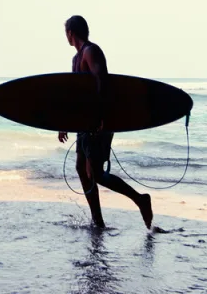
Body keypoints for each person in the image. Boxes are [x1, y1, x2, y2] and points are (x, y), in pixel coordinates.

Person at [58, 15, 153, 230]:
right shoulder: (76, 59)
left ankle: (140, 200)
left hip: (98, 122)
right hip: (85, 124)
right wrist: (64, 122)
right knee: (82, 169)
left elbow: (102, 81)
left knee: (97, 174)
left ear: (71, 33)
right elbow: (77, 95)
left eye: (66, 33)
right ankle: (97, 220)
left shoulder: (92, 52)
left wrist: (102, 117)